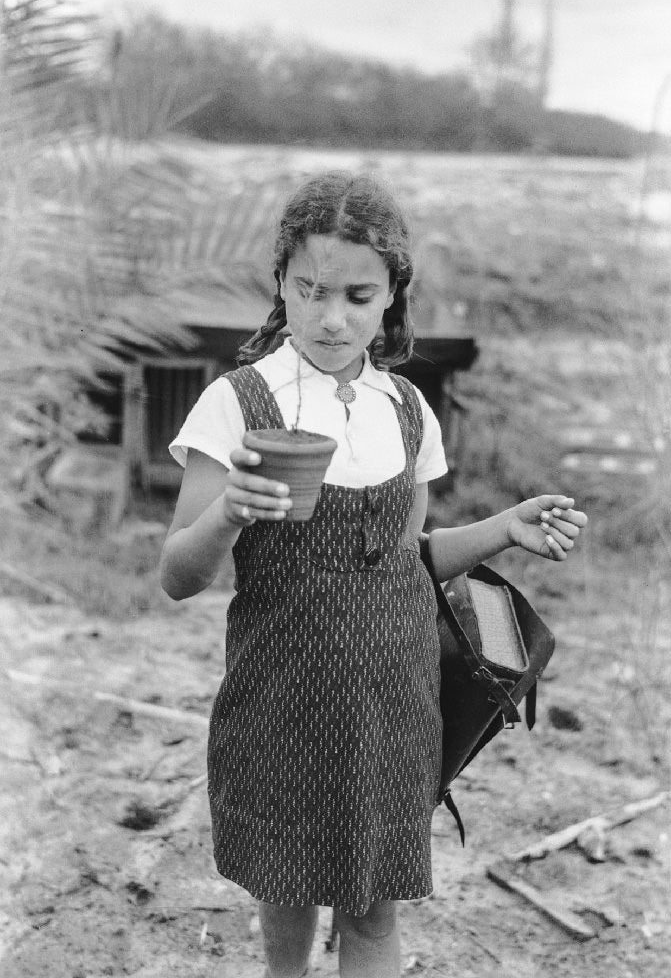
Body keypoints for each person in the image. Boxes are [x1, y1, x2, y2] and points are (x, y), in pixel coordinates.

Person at [159, 170, 587, 978]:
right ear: (280, 280)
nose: (330, 316)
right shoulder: (236, 404)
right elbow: (178, 575)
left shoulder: (405, 409)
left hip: (392, 698)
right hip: (279, 696)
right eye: (308, 288)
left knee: (372, 909)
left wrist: (503, 528)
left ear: (392, 293)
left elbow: (403, 558)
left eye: (357, 295)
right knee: (284, 895)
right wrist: (229, 514)